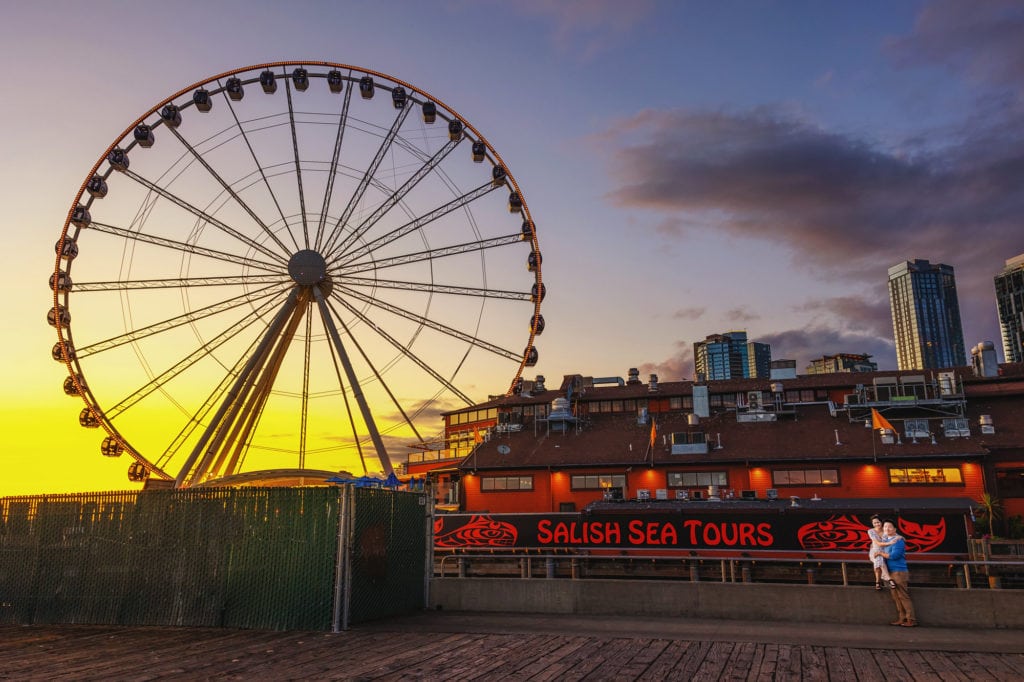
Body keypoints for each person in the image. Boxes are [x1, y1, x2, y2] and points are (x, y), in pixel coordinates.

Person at [881, 519, 917, 627]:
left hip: (899, 572)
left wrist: (880, 553)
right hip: (890, 572)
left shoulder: (898, 541)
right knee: (896, 597)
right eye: (885, 527)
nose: (887, 529)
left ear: (895, 529)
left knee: (903, 596)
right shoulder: (886, 540)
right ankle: (902, 618)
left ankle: (911, 619)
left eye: (890, 527)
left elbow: (894, 556)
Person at [867, 514, 896, 590]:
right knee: (879, 559)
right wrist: (890, 543)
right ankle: (890, 579)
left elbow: (894, 537)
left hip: (884, 550)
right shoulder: (871, 531)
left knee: (878, 562)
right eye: (875, 523)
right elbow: (877, 543)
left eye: (878, 522)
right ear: (872, 524)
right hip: (874, 551)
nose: (877, 524)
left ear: (881, 522)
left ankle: (877, 583)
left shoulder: (886, 531)